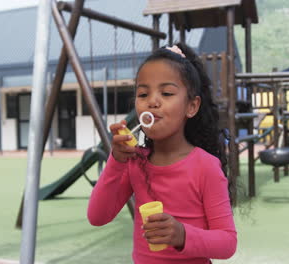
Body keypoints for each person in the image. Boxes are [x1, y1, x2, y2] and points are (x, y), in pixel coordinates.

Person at [87, 43, 237, 264]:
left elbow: (227, 243)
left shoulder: (205, 166)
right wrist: (116, 161)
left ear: (191, 107)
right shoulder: (135, 162)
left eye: (166, 93)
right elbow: (97, 216)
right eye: (143, 93)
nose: (152, 101)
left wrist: (182, 235)